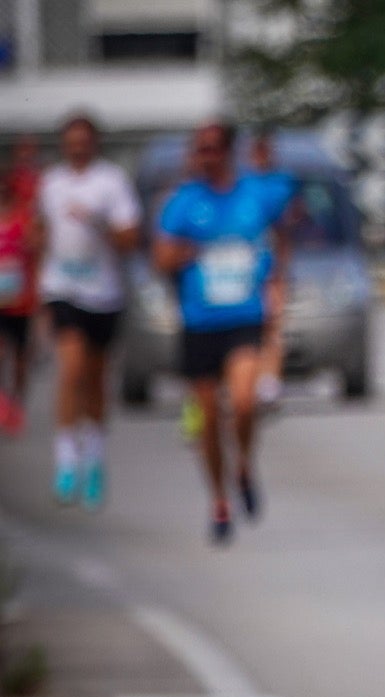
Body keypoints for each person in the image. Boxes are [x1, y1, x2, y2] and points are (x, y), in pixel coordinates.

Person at [152, 121, 295, 544]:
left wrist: (277, 280)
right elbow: (160, 257)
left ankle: (244, 465)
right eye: (200, 149)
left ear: (229, 151)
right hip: (200, 322)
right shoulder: (183, 201)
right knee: (208, 419)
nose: (206, 156)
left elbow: (287, 212)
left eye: (214, 149)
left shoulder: (255, 193)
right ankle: (218, 499)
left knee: (246, 402)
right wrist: (189, 252)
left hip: (244, 316)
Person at [35, 115, 141, 508]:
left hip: (104, 293)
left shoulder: (111, 182)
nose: (77, 147)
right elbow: (40, 230)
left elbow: (130, 238)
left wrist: (98, 222)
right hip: (62, 289)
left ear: (95, 143)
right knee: (71, 369)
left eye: (84, 141)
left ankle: (95, 458)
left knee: (95, 381)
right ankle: (66, 458)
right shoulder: (51, 183)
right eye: (71, 141)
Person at [247, 130, 294, 409]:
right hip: (244, 271)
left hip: (269, 265)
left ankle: (270, 382)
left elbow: (284, 229)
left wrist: (281, 267)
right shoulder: (242, 185)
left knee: (272, 325)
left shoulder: (281, 185)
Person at [0, 168, 39, 433]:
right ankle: (3, 404)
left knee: (20, 358)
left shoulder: (24, 217)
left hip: (20, 300)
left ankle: (17, 402)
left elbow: (37, 250)